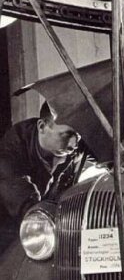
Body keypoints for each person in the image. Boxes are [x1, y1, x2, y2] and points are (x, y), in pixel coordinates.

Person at [0, 102, 86, 255]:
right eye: (66, 135)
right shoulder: (11, 147)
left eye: (77, 136)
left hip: (47, 226)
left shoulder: (71, 148)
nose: (73, 144)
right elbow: (20, 194)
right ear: (42, 127)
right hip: (11, 225)